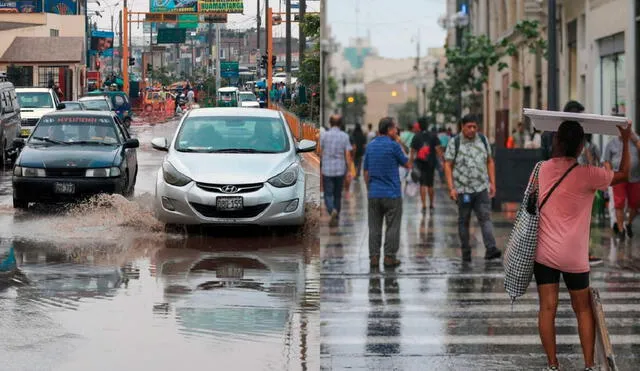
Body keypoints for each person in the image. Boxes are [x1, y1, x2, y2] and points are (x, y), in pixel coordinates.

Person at [534, 120, 630, 371]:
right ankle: (588, 365)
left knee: (547, 308)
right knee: (583, 310)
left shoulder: (541, 169)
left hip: (544, 253)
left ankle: (553, 365)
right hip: (574, 257)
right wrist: (627, 141)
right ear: (580, 147)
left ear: (556, 142)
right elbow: (625, 175)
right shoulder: (589, 174)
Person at [444, 114, 501, 262]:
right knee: (464, 221)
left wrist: (492, 182)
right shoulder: (455, 142)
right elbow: (448, 165)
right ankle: (466, 251)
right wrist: (451, 188)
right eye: (469, 126)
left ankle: (491, 248)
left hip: (481, 188)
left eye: (474, 127)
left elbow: (490, 161)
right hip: (463, 191)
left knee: (485, 218)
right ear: (462, 127)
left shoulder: (482, 140)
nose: (472, 130)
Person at [363, 117, 411, 268]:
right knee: (393, 226)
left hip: (374, 193)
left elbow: (365, 171)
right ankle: (389, 258)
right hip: (392, 194)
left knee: (374, 227)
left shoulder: (370, 146)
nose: (397, 131)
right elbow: (408, 163)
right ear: (390, 130)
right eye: (395, 128)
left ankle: (374, 258)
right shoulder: (394, 146)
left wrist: (369, 189)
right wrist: (400, 142)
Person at [602, 127, 640, 240]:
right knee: (619, 203)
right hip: (618, 178)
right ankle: (620, 230)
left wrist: (636, 140)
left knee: (636, 204)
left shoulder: (635, 141)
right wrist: (610, 175)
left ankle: (628, 224)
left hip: (635, 177)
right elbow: (606, 160)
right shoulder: (611, 144)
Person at [319, 115, 353, 227]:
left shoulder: (324, 135)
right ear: (340, 124)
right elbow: (347, 154)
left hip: (327, 169)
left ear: (330, 123)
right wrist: (348, 170)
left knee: (328, 194)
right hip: (340, 169)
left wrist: (321, 165)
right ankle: (336, 214)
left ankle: (331, 210)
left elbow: (320, 151)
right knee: (338, 194)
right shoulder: (344, 136)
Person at [410, 117, 442, 212]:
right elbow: (438, 150)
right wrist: (442, 161)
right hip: (431, 163)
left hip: (420, 163)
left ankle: (424, 205)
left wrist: (411, 162)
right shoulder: (433, 135)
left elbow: (413, 151)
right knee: (430, 184)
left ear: (419, 125)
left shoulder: (416, 136)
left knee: (422, 184)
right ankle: (431, 204)